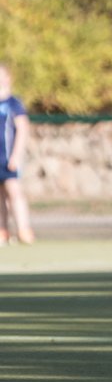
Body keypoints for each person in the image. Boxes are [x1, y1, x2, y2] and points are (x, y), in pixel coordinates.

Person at [0, 64, 36, 246]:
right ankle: (2, 231)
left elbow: (22, 130)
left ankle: (23, 229)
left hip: (7, 158)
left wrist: (16, 155)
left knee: (14, 192)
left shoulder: (14, 103)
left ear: (8, 79)